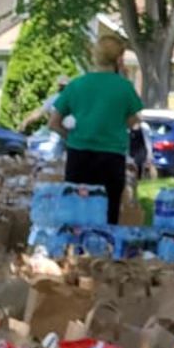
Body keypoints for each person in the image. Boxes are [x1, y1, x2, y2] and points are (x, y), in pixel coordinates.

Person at [49, 36, 144, 224]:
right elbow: (134, 121)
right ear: (119, 59)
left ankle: (74, 250)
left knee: (76, 212)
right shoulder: (124, 88)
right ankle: (103, 251)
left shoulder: (76, 85)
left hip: (79, 155)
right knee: (108, 212)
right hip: (111, 157)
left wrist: (70, 137)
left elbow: (53, 123)